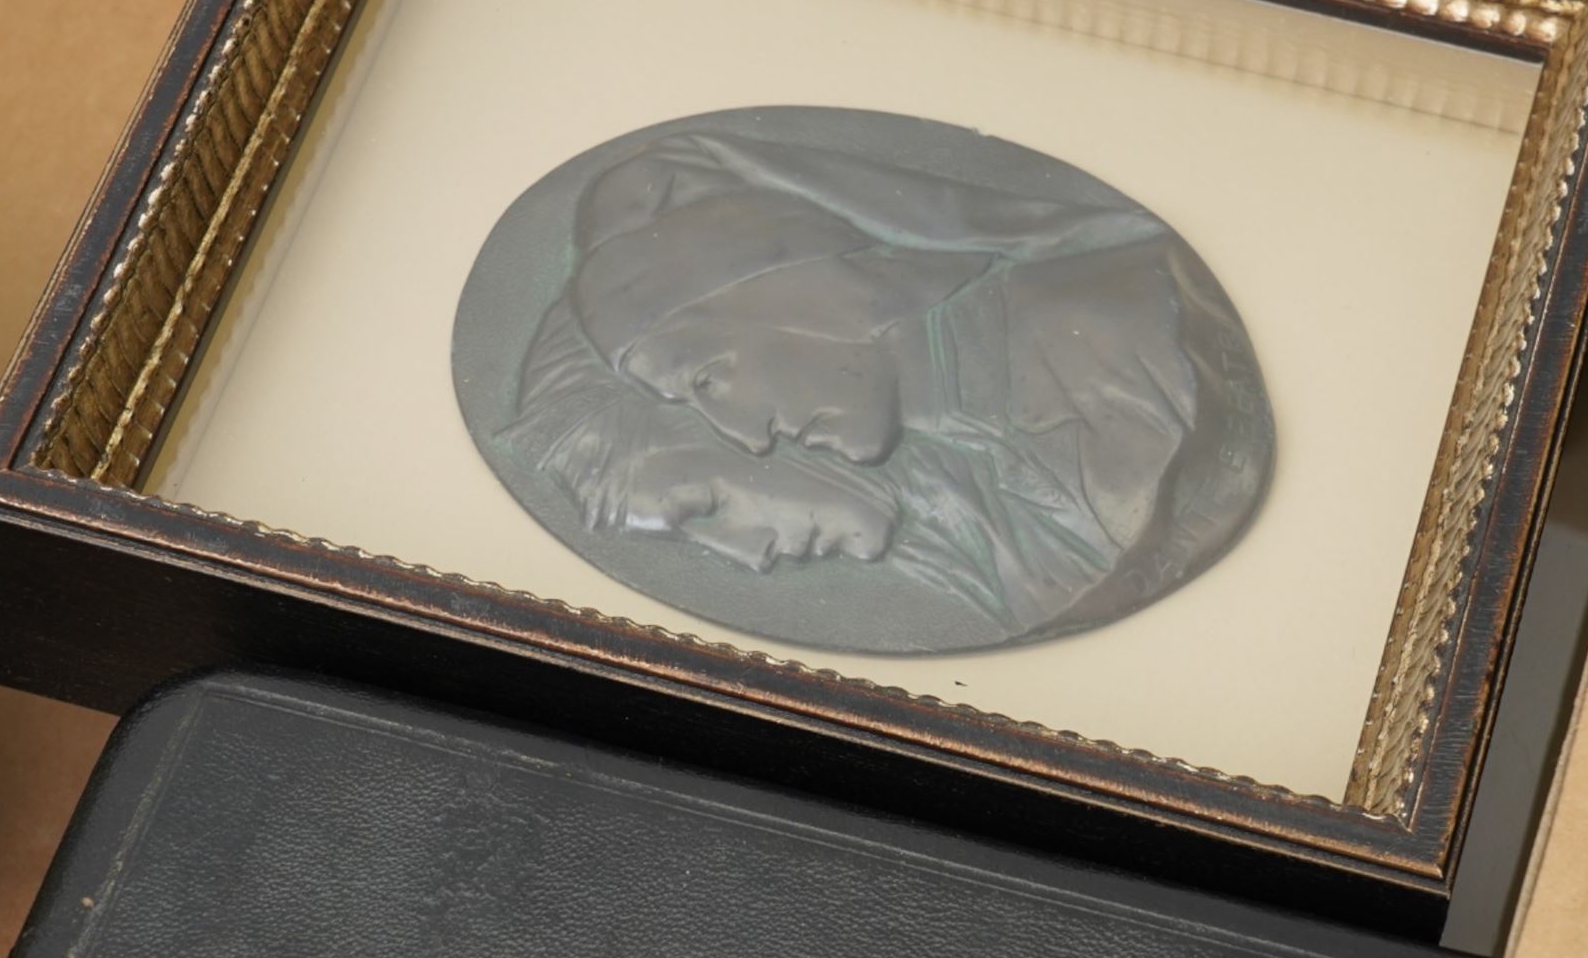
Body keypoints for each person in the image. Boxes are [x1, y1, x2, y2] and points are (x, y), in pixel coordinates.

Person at [502, 126, 1272, 647]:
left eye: (710, 377)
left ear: (785, 292)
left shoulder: (1124, 326)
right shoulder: (979, 496)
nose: (745, 434)